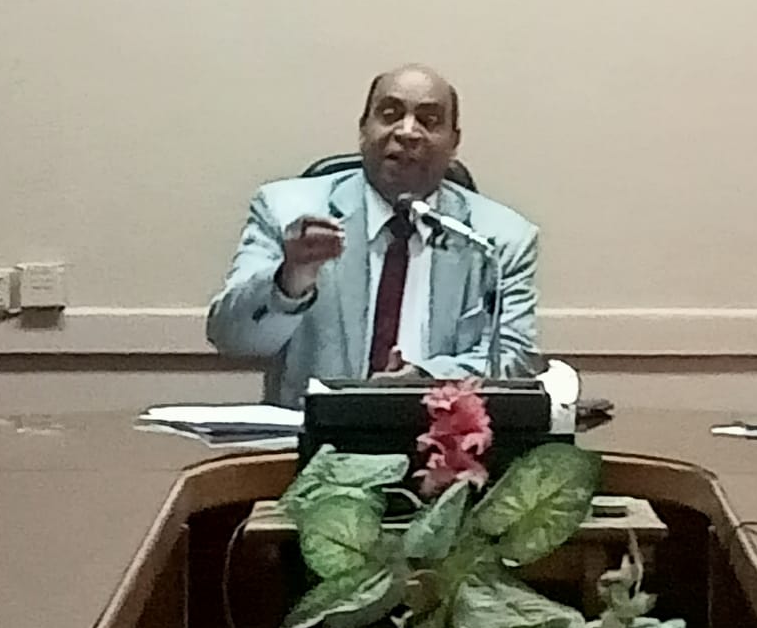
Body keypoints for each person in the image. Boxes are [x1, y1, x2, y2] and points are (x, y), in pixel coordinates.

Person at [207, 64, 540, 407]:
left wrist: (425, 380)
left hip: (442, 433)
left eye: (428, 120)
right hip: (315, 434)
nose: (407, 132)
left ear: (454, 142)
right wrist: (290, 280)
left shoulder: (499, 241)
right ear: (363, 129)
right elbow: (232, 340)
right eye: (390, 115)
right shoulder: (287, 212)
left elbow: (512, 360)